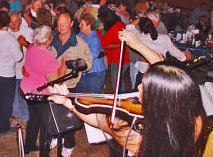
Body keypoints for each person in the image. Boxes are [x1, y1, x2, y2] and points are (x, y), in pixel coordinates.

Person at [48, 30, 206, 157]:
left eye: (145, 88)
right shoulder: (194, 119)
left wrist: (69, 103)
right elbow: (164, 69)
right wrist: (138, 45)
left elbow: (99, 118)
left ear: (160, 99)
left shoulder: (140, 139)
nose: (138, 88)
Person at [49, 11, 92, 157]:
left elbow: (89, 64)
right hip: (51, 83)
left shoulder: (79, 43)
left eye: (64, 23)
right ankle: (55, 137)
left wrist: (77, 65)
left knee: (68, 117)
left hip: (69, 85)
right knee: (53, 115)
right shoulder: (52, 38)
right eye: (59, 23)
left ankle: (69, 144)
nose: (61, 26)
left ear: (71, 23)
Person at [20, 25, 67, 156]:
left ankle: (28, 146)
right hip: (39, 95)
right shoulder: (47, 57)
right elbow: (57, 82)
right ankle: (44, 154)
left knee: (33, 119)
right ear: (49, 40)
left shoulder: (32, 47)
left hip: (26, 90)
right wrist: (63, 65)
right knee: (46, 126)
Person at [0, 11, 23, 135]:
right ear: (8, 22)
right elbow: (19, 58)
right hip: (5, 75)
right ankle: (4, 127)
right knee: (6, 102)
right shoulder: (10, 39)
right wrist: (21, 45)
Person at [96, 10, 130, 92]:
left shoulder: (112, 30)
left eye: (102, 21)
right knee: (119, 79)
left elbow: (103, 43)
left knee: (116, 81)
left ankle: (119, 98)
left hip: (118, 59)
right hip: (126, 58)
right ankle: (121, 95)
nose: (101, 23)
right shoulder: (121, 24)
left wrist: (99, 30)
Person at [8, 12, 33, 122]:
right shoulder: (6, 33)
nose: (13, 24)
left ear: (21, 21)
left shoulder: (28, 31)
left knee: (24, 92)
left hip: (25, 67)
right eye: (11, 22)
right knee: (12, 92)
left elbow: (33, 49)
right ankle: (15, 112)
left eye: (16, 21)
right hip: (11, 68)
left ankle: (25, 115)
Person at [76, 14, 106, 93]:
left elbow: (92, 55)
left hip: (95, 73)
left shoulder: (94, 38)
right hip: (83, 72)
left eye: (82, 24)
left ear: (89, 25)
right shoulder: (80, 35)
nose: (79, 26)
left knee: (92, 98)